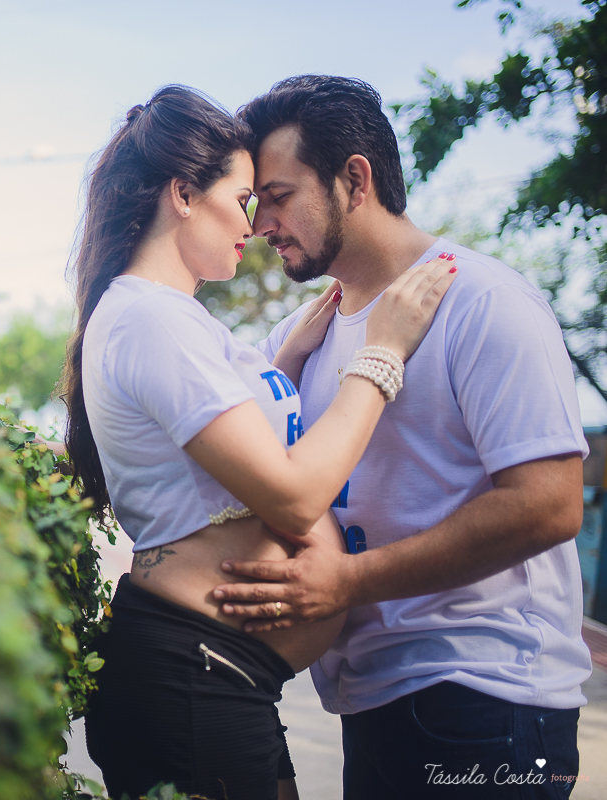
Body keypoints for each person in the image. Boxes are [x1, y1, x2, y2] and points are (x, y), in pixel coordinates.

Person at [62, 84, 457, 800]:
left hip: (219, 672)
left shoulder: (171, 319)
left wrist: (282, 365)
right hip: (193, 673)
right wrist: (382, 354)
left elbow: (210, 449)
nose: (257, 220)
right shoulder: (152, 320)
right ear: (184, 194)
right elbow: (294, 496)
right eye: (245, 197)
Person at [208, 75, 591, 799]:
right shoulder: (301, 333)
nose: (260, 225)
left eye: (280, 195)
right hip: (371, 697)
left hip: (488, 698)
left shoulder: (483, 302)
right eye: (255, 202)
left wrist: (349, 582)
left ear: (356, 179)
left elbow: (550, 505)